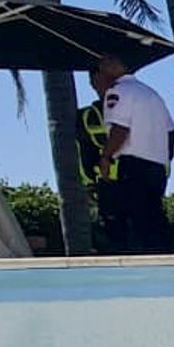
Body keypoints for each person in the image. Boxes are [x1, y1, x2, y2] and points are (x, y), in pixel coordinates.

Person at [90, 55, 174, 254]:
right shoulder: (152, 95)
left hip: (132, 165)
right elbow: (171, 133)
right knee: (153, 220)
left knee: (130, 224)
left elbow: (120, 129)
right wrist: (164, 155)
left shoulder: (118, 92)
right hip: (156, 165)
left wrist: (106, 157)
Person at [74, 98, 124, 253]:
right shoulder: (87, 116)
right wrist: (89, 183)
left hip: (118, 180)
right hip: (107, 182)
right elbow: (83, 152)